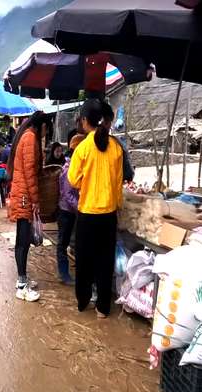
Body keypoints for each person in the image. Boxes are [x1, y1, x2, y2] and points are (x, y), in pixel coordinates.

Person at [68, 99, 124, 319]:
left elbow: (73, 180)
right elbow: (118, 183)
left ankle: (83, 302)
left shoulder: (82, 148)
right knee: (104, 261)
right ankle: (103, 308)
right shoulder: (117, 148)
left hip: (88, 214)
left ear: (84, 121)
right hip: (109, 214)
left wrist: (88, 183)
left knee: (84, 261)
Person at [7, 111, 51, 303]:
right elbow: (30, 173)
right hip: (24, 196)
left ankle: (22, 279)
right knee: (23, 241)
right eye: (46, 130)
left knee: (23, 240)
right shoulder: (30, 138)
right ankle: (21, 284)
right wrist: (35, 200)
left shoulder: (27, 136)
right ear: (41, 126)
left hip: (23, 194)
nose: (45, 134)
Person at [56, 138, 81, 285]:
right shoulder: (68, 170)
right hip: (66, 212)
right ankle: (64, 274)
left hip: (73, 211)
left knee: (74, 242)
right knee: (63, 243)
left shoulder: (75, 168)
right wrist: (81, 207)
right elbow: (67, 195)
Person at [100, 102, 135, 182]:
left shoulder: (81, 147)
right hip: (113, 192)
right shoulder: (117, 145)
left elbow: (73, 179)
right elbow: (128, 175)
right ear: (108, 123)